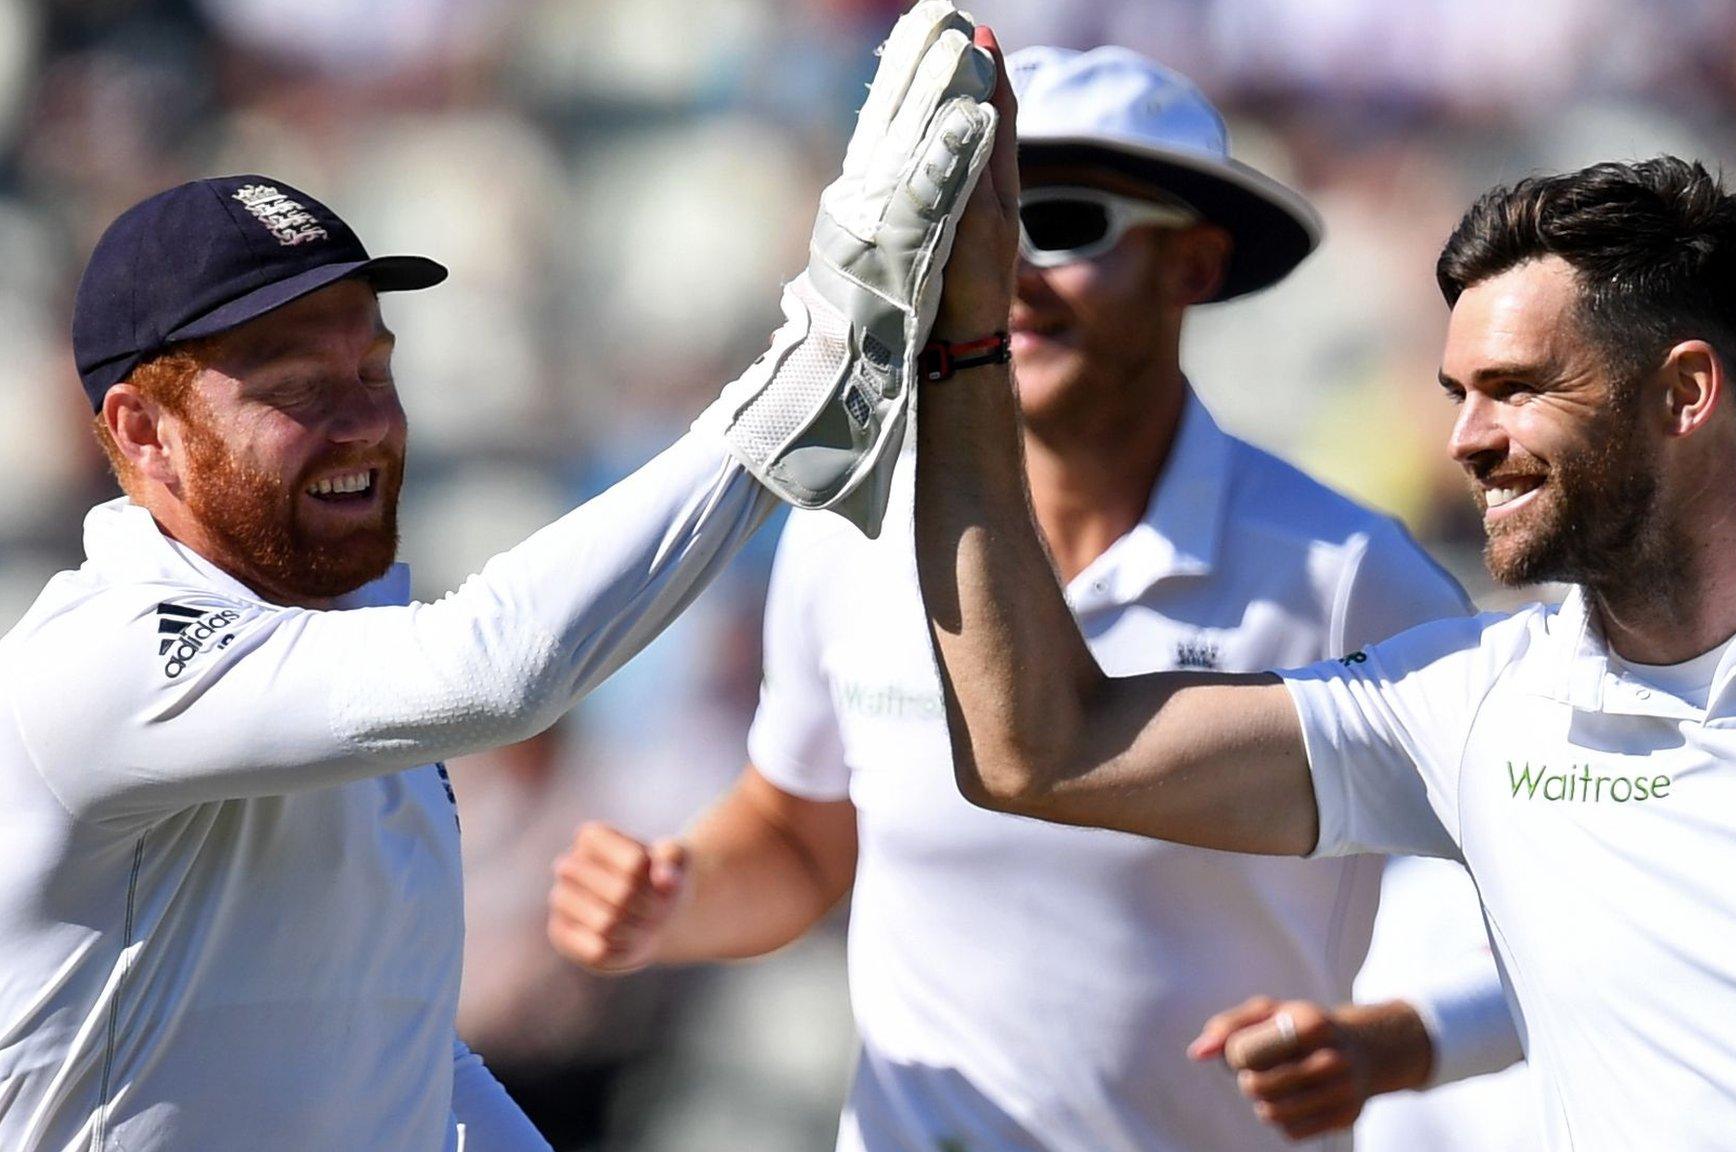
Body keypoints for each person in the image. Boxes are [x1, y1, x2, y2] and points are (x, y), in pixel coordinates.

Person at [912, 68, 1736, 1151]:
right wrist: (961, 350)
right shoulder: (1465, 706)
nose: (1463, 441)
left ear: (1684, 393)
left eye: (1516, 389)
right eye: (1458, 394)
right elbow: (1038, 752)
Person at [0, 6, 998, 1148]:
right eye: (292, 385)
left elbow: (396, 1050)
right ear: (140, 432)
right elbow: (495, 672)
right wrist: (814, 367)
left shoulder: (343, 655)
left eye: (372, 368)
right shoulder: (103, 657)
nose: (362, 425)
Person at [545, 45, 1523, 1152]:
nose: (997, 271)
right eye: (966, 225)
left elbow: (1550, 898)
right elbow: (803, 840)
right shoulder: (843, 536)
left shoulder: (1349, 578)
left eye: (1054, 220)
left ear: (1192, 266)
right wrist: (673, 899)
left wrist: (1392, 1039)